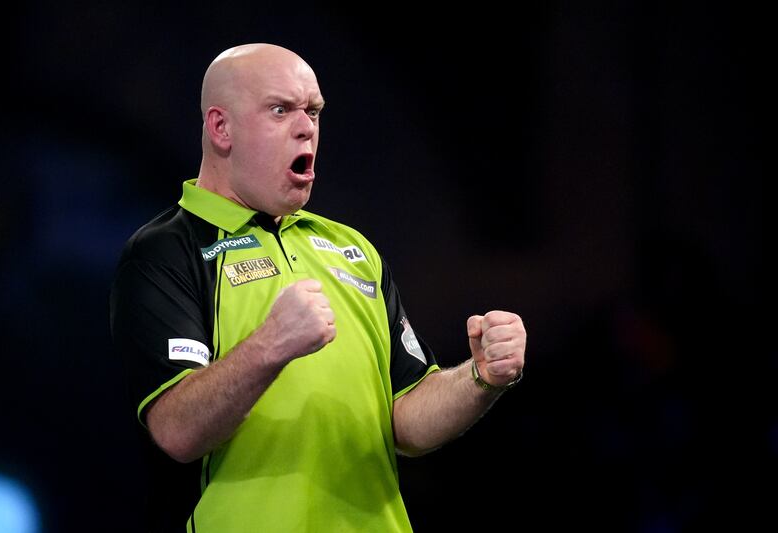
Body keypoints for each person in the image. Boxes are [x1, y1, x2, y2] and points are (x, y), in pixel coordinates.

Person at [109, 43, 526, 532]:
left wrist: (479, 378)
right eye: (280, 109)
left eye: (313, 110)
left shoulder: (352, 248)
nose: (306, 126)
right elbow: (177, 430)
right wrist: (271, 346)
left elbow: (406, 422)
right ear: (222, 128)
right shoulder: (166, 252)